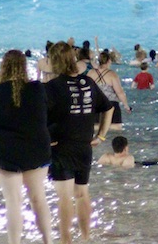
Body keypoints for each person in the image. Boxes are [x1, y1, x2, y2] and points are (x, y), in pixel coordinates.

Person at [0, 50, 53, 244]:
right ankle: (48, 241)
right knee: (38, 199)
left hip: (4, 152)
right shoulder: (37, 89)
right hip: (36, 148)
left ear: (3, 67)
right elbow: (49, 116)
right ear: (24, 67)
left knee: (13, 202)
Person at [44, 40, 112, 243]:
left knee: (64, 197)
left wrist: (44, 140)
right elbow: (108, 108)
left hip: (61, 146)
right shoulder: (88, 82)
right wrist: (101, 135)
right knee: (82, 193)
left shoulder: (52, 87)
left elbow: (38, 117)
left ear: (55, 62)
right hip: (85, 146)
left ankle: (66, 240)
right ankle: (85, 237)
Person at [88, 50, 130, 130]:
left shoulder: (91, 73)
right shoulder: (112, 74)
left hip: (95, 103)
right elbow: (119, 92)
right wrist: (126, 105)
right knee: (117, 127)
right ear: (109, 61)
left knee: (94, 126)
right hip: (111, 104)